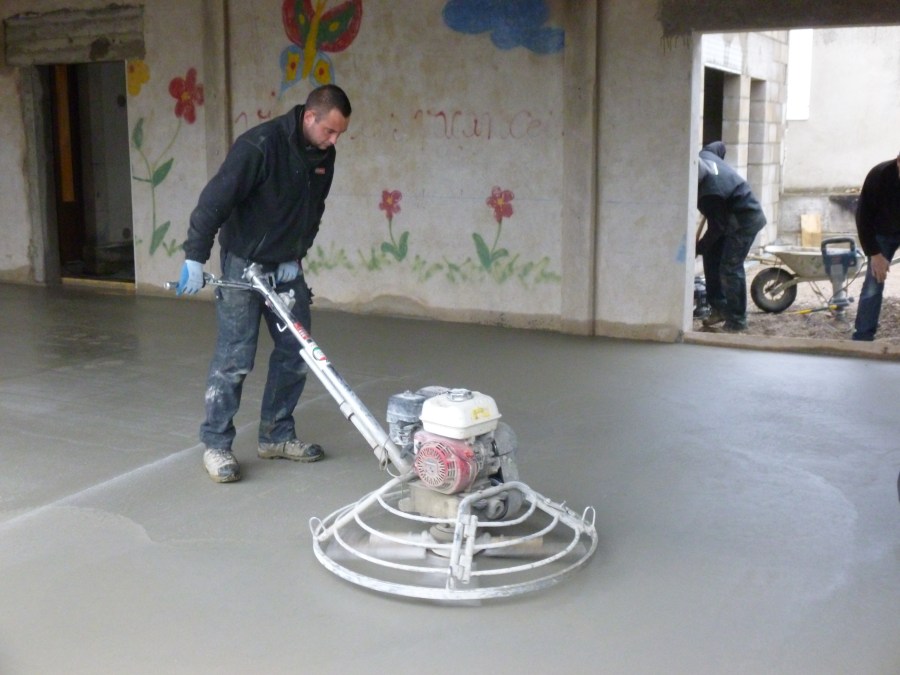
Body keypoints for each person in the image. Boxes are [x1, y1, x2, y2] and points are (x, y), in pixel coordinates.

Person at [175, 84, 351, 483]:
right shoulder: (260, 146)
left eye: (339, 134)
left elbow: (313, 210)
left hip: (284, 266)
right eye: (330, 131)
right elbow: (214, 201)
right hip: (243, 262)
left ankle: (276, 434)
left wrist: (295, 255)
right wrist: (195, 256)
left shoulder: (324, 155)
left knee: (297, 351)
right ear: (310, 117)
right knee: (235, 356)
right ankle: (216, 444)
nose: (334, 140)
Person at [696, 141, 767, 332]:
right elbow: (719, 145)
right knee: (711, 256)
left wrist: (699, 247)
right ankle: (719, 308)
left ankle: (737, 321)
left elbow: (717, 227)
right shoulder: (706, 154)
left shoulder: (710, 194)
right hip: (729, 216)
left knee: (730, 267)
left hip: (746, 220)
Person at [852, 153, 900, 341]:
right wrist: (875, 254)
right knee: (874, 281)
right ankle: (863, 336)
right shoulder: (879, 176)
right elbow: (863, 218)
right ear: (898, 162)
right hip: (882, 231)